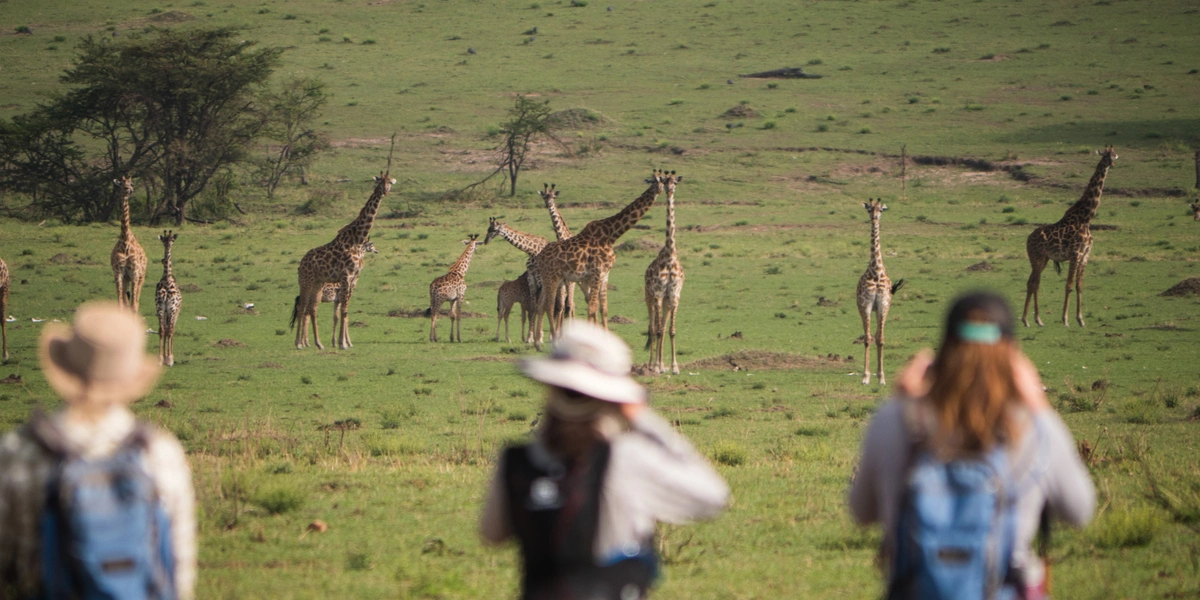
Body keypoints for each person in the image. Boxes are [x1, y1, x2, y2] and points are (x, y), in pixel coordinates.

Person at [848, 291, 1095, 599]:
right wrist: (1039, 405)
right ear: (1013, 356)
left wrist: (900, 401)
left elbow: (860, 512)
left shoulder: (895, 421)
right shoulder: (1035, 428)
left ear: (943, 352)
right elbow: (1081, 510)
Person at [480, 321, 729, 600]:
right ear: (611, 398)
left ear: (550, 387)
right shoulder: (624, 459)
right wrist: (641, 418)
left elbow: (492, 534)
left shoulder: (515, 461)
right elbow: (713, 496)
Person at [0, 302, 196, 600]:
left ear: (65, 366)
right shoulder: (160, 454)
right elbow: (179, 574)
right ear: (130, 377)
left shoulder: (21, 453)